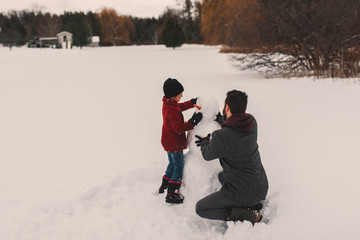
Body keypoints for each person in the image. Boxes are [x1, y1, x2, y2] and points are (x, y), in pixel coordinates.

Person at [194, 90, 268, 224]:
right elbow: (235, 125)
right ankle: (252, 203)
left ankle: (246, 214)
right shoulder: (251, 122)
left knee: (200, 208)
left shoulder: (221, 136)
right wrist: (220, 119)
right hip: (261, 186)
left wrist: (205, 142)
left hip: (242, 192)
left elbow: (207, 155)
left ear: (227, 107)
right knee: (222, 176)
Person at [158, 78, 203, 204]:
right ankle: (172, 193)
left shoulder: (168, 104)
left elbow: (180, 107)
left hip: (168, 141)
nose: (182, 95)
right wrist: (192, 121)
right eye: (180, 94)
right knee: (178, 166)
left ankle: (165, 184)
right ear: (173, 96)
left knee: (172, 164)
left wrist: (191, 103)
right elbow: (178, 129)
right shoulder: (172, 110)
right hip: (174, 143)